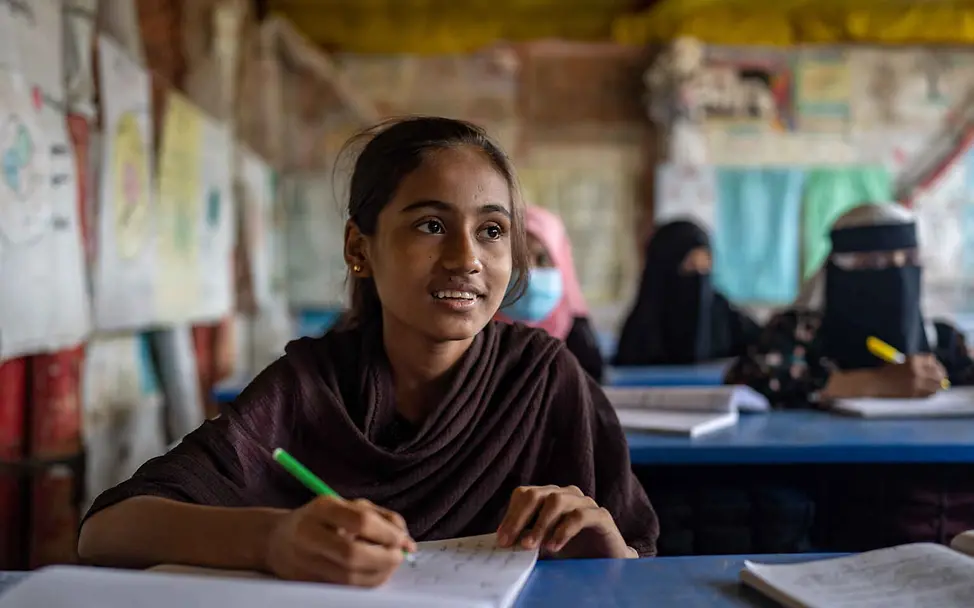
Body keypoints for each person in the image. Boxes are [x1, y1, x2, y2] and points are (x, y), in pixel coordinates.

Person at [77, 117, 658, 586]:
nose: (467, 258)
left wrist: (612, 555)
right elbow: (105, 531)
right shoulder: (312, 386)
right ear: (360, 247)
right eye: (431, 225)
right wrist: (273, 540)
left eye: (492, 230)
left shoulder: (544, 378)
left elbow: (637, 568)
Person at [725, 203, 974, 408]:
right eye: (876, 262)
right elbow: (748, 380)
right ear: (838, 269)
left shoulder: (939, 340)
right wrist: (877, 383)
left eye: (908, 260)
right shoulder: (798, 332)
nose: (898, 275)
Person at [614, 220, 759, 366]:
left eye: (705, 265)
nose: (699, 276)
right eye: (690, 265)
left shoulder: (731, 320)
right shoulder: (641, 331)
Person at [495, 205, 604, 381]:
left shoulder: (579, 338)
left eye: (543, 259)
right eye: (516, 258)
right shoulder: (470, 333)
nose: (529, 271)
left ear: (562, 265)